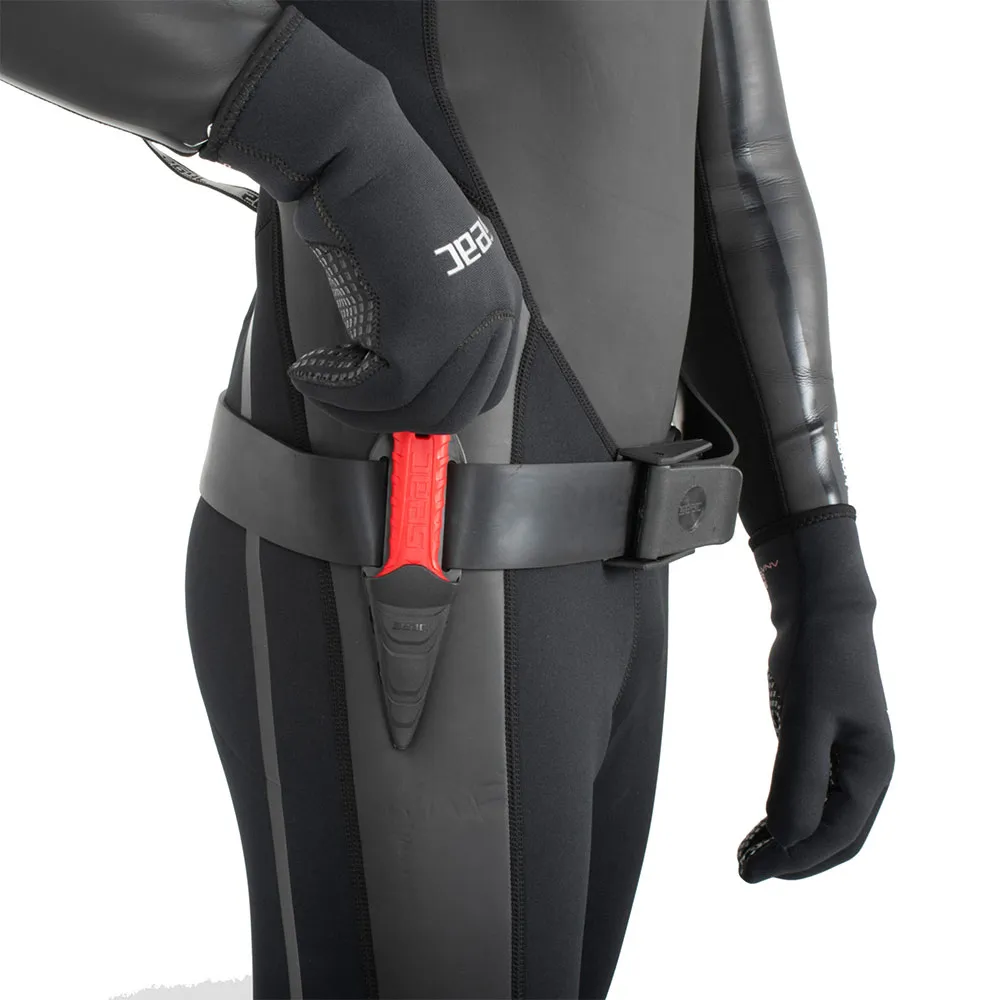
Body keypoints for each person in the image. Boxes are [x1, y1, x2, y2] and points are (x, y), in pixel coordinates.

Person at [0, 2, 894, 998]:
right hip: (407, 561)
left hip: (607, 583)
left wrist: (820, 572)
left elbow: (738, 167)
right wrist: (343, 138)